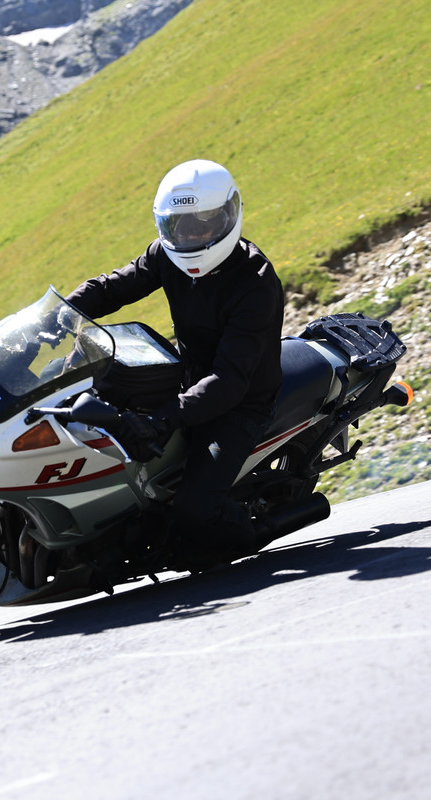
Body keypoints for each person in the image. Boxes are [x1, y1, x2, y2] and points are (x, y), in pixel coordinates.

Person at [65, 159, 285, 566]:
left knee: (193, 512)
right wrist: (58, 315)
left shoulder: (255, 284)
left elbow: (228, 381)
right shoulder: (167, 254)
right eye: (181, 226)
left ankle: (253, 532)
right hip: (187, 381)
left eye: (204, 224)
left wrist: (163, 418)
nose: (192, 235)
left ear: (229, 216)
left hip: (240, 403)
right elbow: (112, 288)